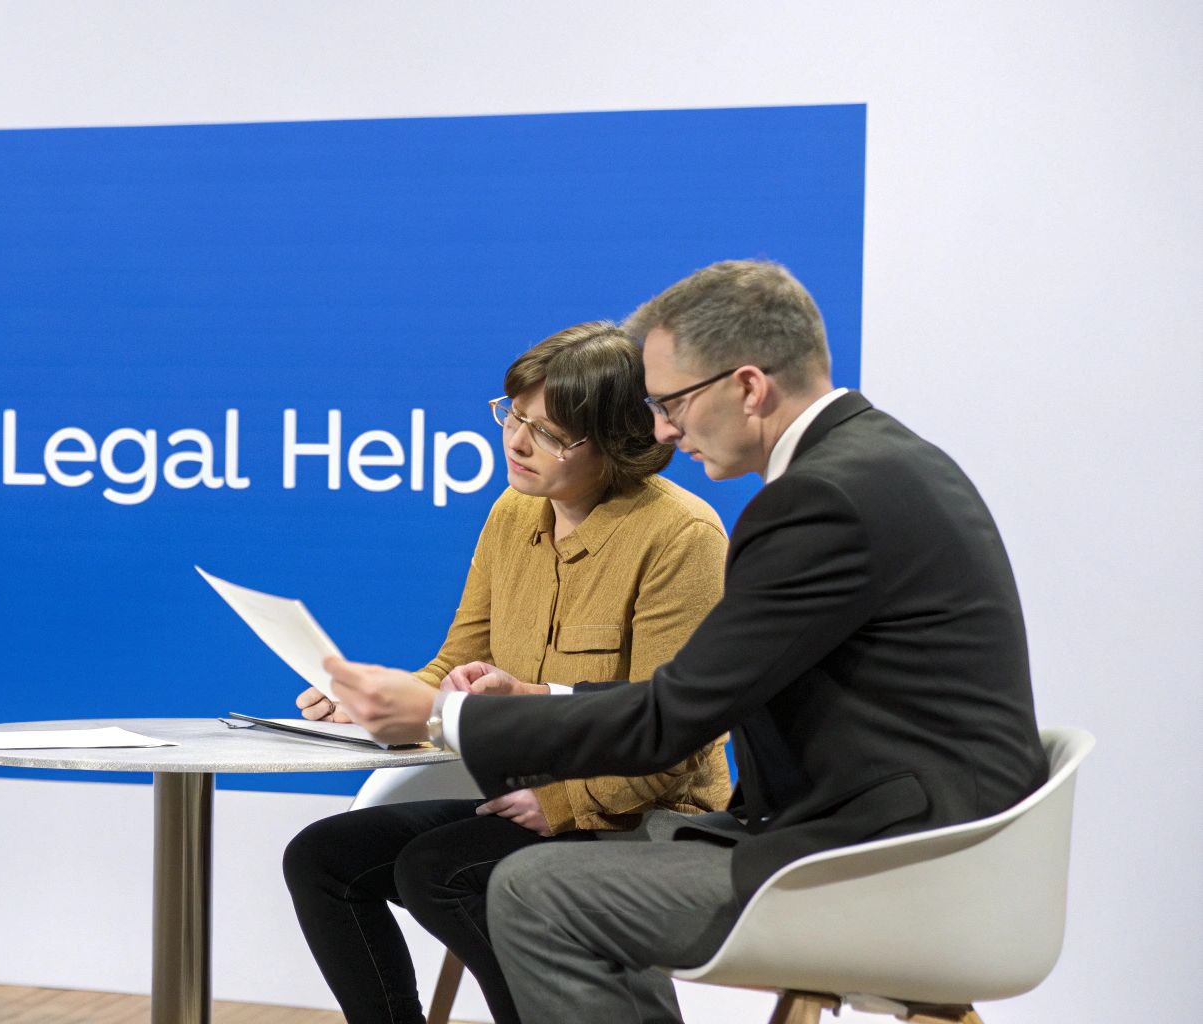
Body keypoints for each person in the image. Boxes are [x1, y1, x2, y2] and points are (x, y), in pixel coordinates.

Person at [325, 260, 1048, 1024]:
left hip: (893, 866)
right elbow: (694, 694)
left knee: (534, 892)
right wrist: (535, 697)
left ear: (747, 386)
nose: (663, 430)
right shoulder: (879, 463)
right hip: (909, 842)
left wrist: (445, 718)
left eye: (672, 403)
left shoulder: (819, 501)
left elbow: (674, 720)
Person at [282, 322, 733, 1024]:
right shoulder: (512, 511)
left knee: (440, 874)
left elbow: (676, 739)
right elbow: (456, 663)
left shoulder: (681, 538)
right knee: (323, 858)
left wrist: (563, 803)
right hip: (521, 792)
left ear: (618, 439)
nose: (517, 443)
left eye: (550, 433)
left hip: (643, 814)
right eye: (513, 417)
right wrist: (378, 702)